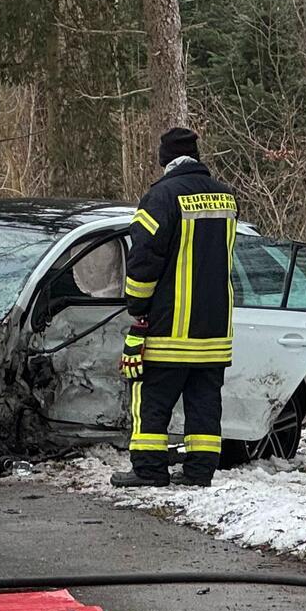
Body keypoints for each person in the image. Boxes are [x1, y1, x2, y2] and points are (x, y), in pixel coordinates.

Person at [115, 127, 237, 488]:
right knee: (204, 403)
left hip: (170, 327)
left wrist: (137, 305)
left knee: (151, 400)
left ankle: (149, 470)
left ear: (164, 158)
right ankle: (199, 472)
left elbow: (143, 259)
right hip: (215, 328)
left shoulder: (161, 197)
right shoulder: (226, 197)